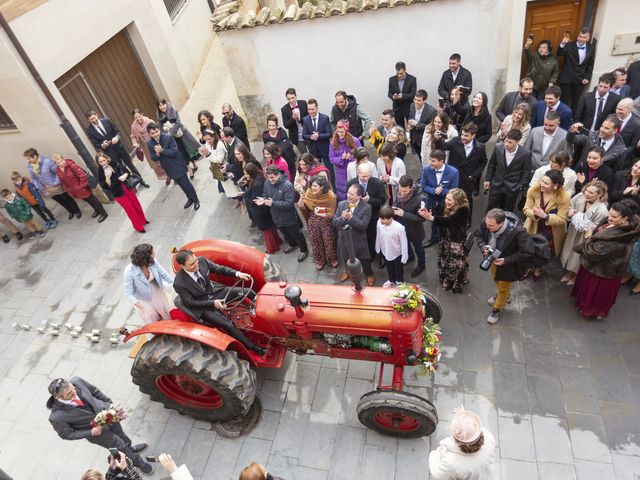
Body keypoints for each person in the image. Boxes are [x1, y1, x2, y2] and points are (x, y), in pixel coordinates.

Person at [46, 377, 153, 474]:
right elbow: (66, 434)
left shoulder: (77, 381)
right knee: (118, 446)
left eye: (72, 388)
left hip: (109, 417)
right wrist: (91, 432)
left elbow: (94, 391)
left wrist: (109, 404)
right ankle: (137, 462)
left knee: (122, 435)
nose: (74, 392)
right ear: (58, 397)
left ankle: (130, 449)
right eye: (69, 393)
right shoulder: (57, 417)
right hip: (98, 434)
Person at [173, 249, 266, 355]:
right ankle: (253, 347)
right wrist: (213, 303)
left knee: (245, 292)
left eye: (196, 261)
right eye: (192, 264)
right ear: (182, 266)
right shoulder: (179, 283)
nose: (196, 264)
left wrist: (237, 273)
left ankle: (263, 310)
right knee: (229, 325)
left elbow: (220, 269)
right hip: (203, 305)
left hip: (214, 292)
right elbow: (190, 302)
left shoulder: (202, 261)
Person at [571, 200, 640, 319]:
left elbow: (592, 252)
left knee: (596, 294)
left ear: (625, 218)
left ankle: (592, 311)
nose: (609, 218)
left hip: (603, 269)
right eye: (609, 214)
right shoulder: (624, 224)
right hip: (605, 266)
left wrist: (589, 235)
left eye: (614, 217)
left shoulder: (617, 238)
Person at [473, 208, 534, 324]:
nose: (487, 228)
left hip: (508, 266)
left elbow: (527, 252)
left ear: (501, 224)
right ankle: (505, 295)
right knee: (496, 279)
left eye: (491, 226)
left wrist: (506, 260)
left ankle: (497, 309)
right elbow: (479, 235)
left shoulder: (518, 232)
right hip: (493, 260)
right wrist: (483, 247)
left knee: (503, 287)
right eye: (487, 224)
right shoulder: (487, 222)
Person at [559, 180, 609, 286]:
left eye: (591, 193)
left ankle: (576, 275)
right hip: (573, 230)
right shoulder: (580, 196)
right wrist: (571, 211)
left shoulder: (602, 210)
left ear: (599, 194)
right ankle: (569, 272)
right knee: (569, 250)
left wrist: (584, 223)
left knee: (578, 257)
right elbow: (570, 205)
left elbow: (598, 227)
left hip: (586, 236)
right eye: (586, 190)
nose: (586, 193)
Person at [523, 170, 571, 280]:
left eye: (546, 183)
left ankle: (537, 269)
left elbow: (562, 219)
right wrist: (535, 214)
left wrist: (546, 216)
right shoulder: (533, 191)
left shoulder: (564, 197)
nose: (542, 185)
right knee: (527, 247)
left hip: (550, 230)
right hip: (533, 225)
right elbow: (526, 209)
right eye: (542, 181)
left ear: (555, 186)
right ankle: (527, 267)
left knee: (542, 250)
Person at [420, 188, 470, 293]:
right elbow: (436, 210)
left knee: (454, 264)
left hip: (456, 242)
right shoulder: (444, 204)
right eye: (446, 199)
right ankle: (446, 279)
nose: (447, 201)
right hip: (445, 239)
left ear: (457, 201)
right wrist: (427, 211)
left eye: (450, 200)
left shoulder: (463, 210)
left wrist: (432, 218)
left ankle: (454, 283)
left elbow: (450, 221)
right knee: (445, 261)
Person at [434, 122, 487, 220]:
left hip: (467, 179)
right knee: (450, 199)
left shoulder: (480, 147)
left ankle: (466, 220)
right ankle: (448, 218)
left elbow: (483, 162)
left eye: (466, 136)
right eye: (462, 134)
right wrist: (438, 139)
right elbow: (443, 147)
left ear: (473, 136)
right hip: (453, 178)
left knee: (465, 200)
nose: (462, 137)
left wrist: (475, 175)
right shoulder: (455, 141)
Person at [428, 406, 495, 480]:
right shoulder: (488, 436)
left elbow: (437, 474)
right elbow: (472, 431)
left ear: (458, 434)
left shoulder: (452, 462)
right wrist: (467, 421)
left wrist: (435, 455)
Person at [258, 164, 308, 261]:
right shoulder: (267, 182)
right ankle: (292, 244)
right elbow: (265, 194)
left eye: (272, 177)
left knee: (297, 234)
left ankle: (304, 250)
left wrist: (272, 203)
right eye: (268, 178)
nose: (270, 180)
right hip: (276, 217)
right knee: (285, 233)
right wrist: (263, 200)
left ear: (278, 175)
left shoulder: (287, 186)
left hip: (289, 217)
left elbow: (289, 204)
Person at [85, 111, 149, 187]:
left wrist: (116, 137)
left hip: (119, 147)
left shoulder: (106, 120)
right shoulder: (89, 130)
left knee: (130, 164)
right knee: (121, 168)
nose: (94, 120)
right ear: (88, 120)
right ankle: (131, 184)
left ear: (97, 115)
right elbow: (95, 144)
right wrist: (102, 145)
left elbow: (118, 132)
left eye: (94, 118)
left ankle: (141, 180)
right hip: (109, 152)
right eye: (91, 119)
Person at [147, 123, 200, 210]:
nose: (155, 134)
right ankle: (189, 198)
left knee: (186, 184)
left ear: (159, 130)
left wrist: (162, 150)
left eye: (156, 132)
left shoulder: (168, 137)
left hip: (177, 164)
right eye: (152, 133)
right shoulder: (150, 143)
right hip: (168, 168)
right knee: (181, 185)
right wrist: (157, 153)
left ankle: (196, 199)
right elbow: (153, 158)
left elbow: (174, 152)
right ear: (149, 134)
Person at [333, 183, 375, 285]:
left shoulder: (367, 207)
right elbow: (334, 222)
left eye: (352, 194)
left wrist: (351, 218)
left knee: (364, 259)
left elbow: (363, 226)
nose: (348, 195)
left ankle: (369, 274)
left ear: (359, 196)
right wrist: (342, 218)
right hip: (344, 239)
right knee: (345, 257)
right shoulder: (341, 204)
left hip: (359, 239)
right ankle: (348, 272)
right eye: (348, 193)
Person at [96, 152, 148, 233]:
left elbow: (126, 171)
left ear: (107, 159)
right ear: (98, 163)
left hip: (126, 186)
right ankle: (138, 227)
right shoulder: (100, 172)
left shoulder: (114, 164)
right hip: (118, 193)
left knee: (136, 204)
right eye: (101, 162)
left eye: (104, 160)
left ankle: (143, 220)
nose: (103, 163)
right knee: (130, 210)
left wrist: (124, 176)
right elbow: (106, 186)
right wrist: (107, 177)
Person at [123, 243, 174, 323]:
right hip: (142, 297)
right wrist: (142, 308)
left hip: (156, 289)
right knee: (151, 316)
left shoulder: (153, 261)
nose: (155, 254)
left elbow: (163, 273)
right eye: (152, 253)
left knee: (165, 310)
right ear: (145, 259)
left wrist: (175, 284)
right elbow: (129, 293)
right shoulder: (129, 271)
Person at [25, 147, 81, 220]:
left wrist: (56, 182)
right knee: (60, 201)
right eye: (28, 159)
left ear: (35, 156)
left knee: (66, 198)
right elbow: (33, 178)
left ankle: (77, 211)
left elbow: (58, 172)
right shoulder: (30, 166)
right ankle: (70, 211)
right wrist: (38, 186)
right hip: (46, 188)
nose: (29, 160)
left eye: (29, 158)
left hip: (56, 185)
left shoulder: (47, 162)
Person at [484, 129, 532, 212]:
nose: (506, 144)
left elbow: (526, 171)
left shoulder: (526, 153)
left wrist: (520, 186)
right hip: (496, 184)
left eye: (510, 142)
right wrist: (488, 179)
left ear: (517, 142)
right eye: (506, 141)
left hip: (512, 188)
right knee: (491, 208)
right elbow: (492, 164)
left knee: (507, 211)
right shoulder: (498, 147)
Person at [346, 162, 387, 260]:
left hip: (373, 216)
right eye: (363, 176)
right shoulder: (351, 183)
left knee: (374, 236)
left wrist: (370, 200)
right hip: (357, 216)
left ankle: (378, 255)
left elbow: (382, 200)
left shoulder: (378, 183)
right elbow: (348, 199)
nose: (366, 178)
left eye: (368, 175)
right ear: (357, 173)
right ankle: (368, 253)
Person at [297, 175, 338, 270]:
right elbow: (306, 208)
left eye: (315, 186)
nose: (312, 188)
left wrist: (322, 211)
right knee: (315, 241)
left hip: (326, 220)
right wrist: (301, 205)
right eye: (312, 185)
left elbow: (332, 212)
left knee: (329, 241)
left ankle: (332, 259)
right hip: (313, 219)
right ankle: (320, 260)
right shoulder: (308, 192)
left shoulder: (330, 195)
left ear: (322, 187)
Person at [52, 154, 108, 222]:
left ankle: (103, 213)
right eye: (58, 162)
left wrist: (81, 186)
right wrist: (68, 189)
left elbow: (82, 175)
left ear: (63, 159)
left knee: (92, 199)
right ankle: (97, 210)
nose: (60, 163)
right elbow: (62, 181)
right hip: (74, 190)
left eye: (61, 161)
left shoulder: (71, 165)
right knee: (87, 200)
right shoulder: (58, 170)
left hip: (81, 187)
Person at [421, 150, 459, 247]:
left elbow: (454, 190)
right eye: (430, 160)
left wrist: (442, 191)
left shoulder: (453, 172)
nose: (430, 163)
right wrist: (434, 190)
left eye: (433, 161)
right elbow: (423, 186)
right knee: (433, 221)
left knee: (446, 222)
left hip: (446, 203)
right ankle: (434, 238)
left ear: (441, 161)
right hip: (432, 201)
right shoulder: (426, 170)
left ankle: (446, 240)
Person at [241, 163, 282, 253]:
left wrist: (244, 194)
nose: (245, 176)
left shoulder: (256, 184)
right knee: (271, 227)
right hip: (265, 208)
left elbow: (253, 200)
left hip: (259, 210)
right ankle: (278, 241)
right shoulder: (260, 177)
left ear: (252, 173)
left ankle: (272, 248)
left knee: (266, 231)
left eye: (247, 174)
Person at [157, 100, 200, 178]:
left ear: (166, 104)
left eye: (163, 104)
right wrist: (167, 135)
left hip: (181, 133)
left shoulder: (173, 110)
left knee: (189, 150)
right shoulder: (159, 116)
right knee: (181, 153)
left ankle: (194, 164)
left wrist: (171, 132)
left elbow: (178, 122)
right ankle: (190, 169)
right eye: (160, 106)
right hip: (172, 139)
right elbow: (161, 129)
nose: (162, 107)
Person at [393, 175, 426, 278]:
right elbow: (396, 201)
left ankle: (421, 265)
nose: (401, 194)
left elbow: (422, 218)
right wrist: (393, 208)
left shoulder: (420, 199)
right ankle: (410, 257)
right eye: (400, 191)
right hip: (401, 227)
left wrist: (403, 214)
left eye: (405, 192)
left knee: (418, 248)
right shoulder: (400, 191)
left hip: (414, 230)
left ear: (411, 188)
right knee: (405, 244)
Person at [557, 28, 597, 113]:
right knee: (564, 99)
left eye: (584, 37)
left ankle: (573, 118)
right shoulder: (570, 45)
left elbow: (590, 64)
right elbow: (559, 53)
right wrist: (562, 44)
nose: (581, 39)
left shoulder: (591, 48)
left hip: (580, 79)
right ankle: (561, 115)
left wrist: (587, 77)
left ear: (588, 38)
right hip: (566, 78)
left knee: (576, 100)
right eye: (580, 36)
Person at [130, 108, 167, 181]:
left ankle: (169, 174)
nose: (138, 118)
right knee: (154, 162)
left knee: (163, 159)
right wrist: (134, 143)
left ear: (142, 114)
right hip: (146, 148)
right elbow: (133, 136)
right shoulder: (134, 126)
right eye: (136, 117)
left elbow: (158, 130)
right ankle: (165, 177)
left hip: (156, 143)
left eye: (139, 116)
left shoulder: (149, 121)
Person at [376, 205, 408, 287]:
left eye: (384, 219)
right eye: (380, 218)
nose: (381, 221)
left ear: (390, 218)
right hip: (385, 251)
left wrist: (404, 256)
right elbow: (378, 235)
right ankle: (391, 280)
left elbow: (404, 243)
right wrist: (377, 246)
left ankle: (399, 281)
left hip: (396, 253)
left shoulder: (400, 228)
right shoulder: (379, 222)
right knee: (389, 267)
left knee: (398, 269)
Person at [329, 119, 362, 200]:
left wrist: (351, 158)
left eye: (342, 132)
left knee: (354, 191)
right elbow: (331, 158)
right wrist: (341, 158)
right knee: (342, 192)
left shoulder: (355, 141)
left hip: (354, 170)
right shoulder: (333, 143)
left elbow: (361, 155)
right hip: (340, 172)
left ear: (346, 131)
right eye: (338, 131)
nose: (339, 134)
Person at [302, 99, 333, 178]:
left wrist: (318, 136)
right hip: (314, 150)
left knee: (329, 171)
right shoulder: (305, 119)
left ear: (317, 108)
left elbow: (329, 134)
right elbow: (304, 135)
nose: (310, 111)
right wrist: (311, 137)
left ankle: (333, 188)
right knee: (316, 172)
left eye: (312, 109)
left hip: (325, 149)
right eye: (308, 109)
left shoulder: (324, 118)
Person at [198, 128, 230, 195]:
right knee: (222, 184)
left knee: (229, 185)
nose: (208, 141)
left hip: (223, 166)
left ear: (214, 137)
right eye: (206, 139)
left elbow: (219, 160)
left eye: (209, 139)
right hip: (215, 166)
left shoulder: (220, 145)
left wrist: (208, 154)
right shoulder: (208, 143)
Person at [407, 89, 436, 158]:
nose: (416, 102)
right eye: (415, 99)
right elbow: (410, 118)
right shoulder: (412, 106)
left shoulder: (431, 111)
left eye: (419, 100)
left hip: (424, 140)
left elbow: (431, 127)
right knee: (420, 157)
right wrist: (409, 125)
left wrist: (417, 124)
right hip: (414, 139)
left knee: (426, 158)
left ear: (424, 101)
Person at [388, 61, 417, 128]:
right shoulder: (392, 79)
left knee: (411, 128)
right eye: (397, 73)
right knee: (399, 129)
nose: (399, 75)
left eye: (401, 73)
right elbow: (389, 93)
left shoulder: (412, 79)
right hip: (397, 108)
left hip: (408, 108)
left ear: (405, 70)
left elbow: (413, 94)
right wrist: (393, 96)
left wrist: (403, 96)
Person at [281, 87, 309, 154]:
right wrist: (292, 118)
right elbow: (286, 125)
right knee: (304, 155)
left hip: (308, 134)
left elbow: (308, 118)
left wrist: (300, 118)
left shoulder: (303, 103)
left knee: (314, 153)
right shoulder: (284, 109)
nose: (291, 100)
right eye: (289, 99)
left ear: (296, 96)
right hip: (297, 138)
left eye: (292, 98)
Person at [615, 98, 640, 165]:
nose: (617, 111)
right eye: (617, 108)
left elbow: (633, 146)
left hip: (620, 160)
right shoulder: (611, 117)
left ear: (629, 110)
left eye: (621, 109)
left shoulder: (636, 125)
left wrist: (621, 152)